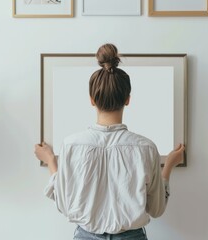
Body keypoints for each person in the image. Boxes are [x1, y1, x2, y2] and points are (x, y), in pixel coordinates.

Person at [34, 43, 185, 240]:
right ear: (128, 99)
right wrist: (170, 165)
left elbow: (63, 204)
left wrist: (51, 162)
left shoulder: (71, 145)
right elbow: (156, 209)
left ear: (92, 100)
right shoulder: (146, 148)